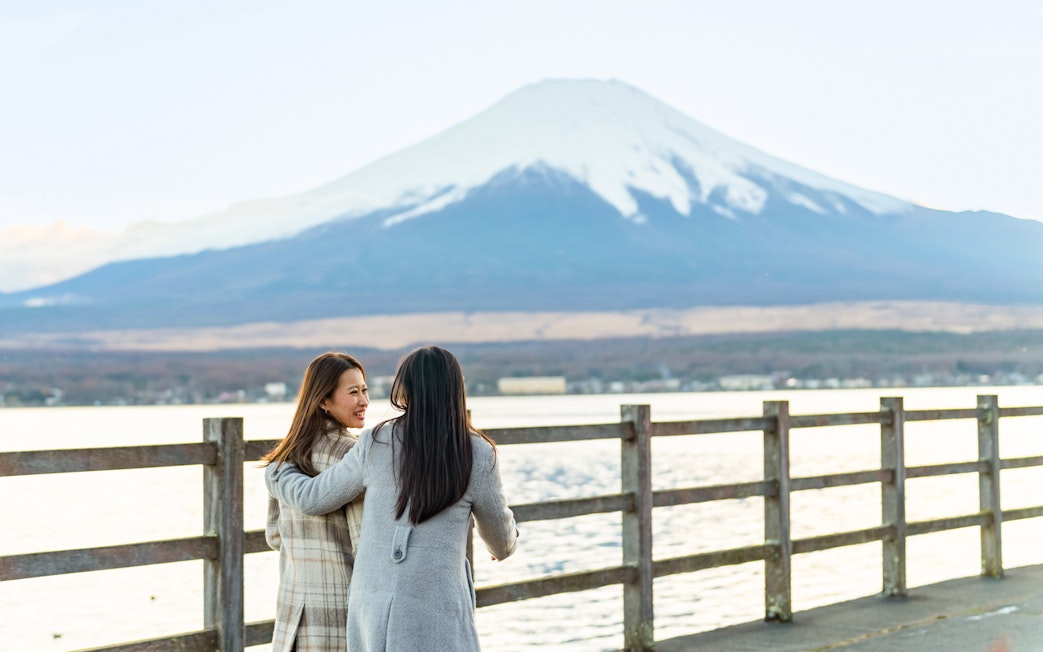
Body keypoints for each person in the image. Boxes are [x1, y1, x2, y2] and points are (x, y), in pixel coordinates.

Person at [266, 345, 518, 652]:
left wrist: (277, 472)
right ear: (456, 388)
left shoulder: (375, 441)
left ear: (404, 388)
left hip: (372, 605)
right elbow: (501, 539)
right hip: (437, 603)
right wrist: (503, 546)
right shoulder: (477, 452)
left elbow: (313, 498)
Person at [261, 352, 369, 652]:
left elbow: (274, 536)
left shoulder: (285, 457)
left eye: (364, 390)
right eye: (353, 392)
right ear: (324, 400)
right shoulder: (354, 456)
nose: (364, 401)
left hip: (294, 611)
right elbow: (366, 545)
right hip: (343, 614)